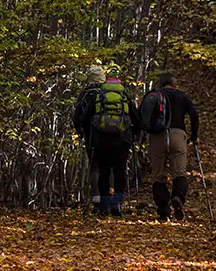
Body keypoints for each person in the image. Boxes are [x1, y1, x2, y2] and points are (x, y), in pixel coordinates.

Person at [75, 68, 138, 217]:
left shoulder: (87, 94)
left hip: (98, 139)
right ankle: (116, 203)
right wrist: (134, 133)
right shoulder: (120, 93)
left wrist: (83, 131)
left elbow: (80, 117)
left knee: (100, 169)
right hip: (122, 138)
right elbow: (136, 116)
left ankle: (101, 203)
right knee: (118, 171)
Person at [141, 73, 199, 221]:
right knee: (179, 172)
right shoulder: (181, 96)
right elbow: (194, 114)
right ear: (174, 84)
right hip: (177, 136)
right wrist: (194, 135)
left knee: (158, 175)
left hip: (157, 137)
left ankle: (163, 211)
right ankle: (178, 197)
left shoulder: (154, 96)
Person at [71, 65, 107, 212]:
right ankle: (112, 199)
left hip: (91, 136)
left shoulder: (86, 93)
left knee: (95, 166)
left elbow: (77, 117)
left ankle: (97, 199)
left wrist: (80, 131)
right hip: (113, 135)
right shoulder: (110, 92)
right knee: (109, 166)